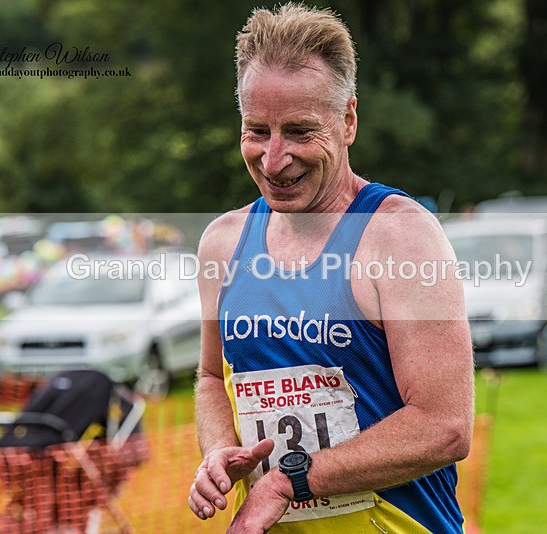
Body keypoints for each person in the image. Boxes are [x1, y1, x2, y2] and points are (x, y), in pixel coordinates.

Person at [189, 4, 474, 533]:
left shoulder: (399, 235)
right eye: (257, 131)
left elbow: (444, 426)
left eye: (299, 132)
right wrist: (220, 452)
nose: (274, 160)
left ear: (348, 121)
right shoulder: (223, 243)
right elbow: (210, 377)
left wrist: (288, 479)